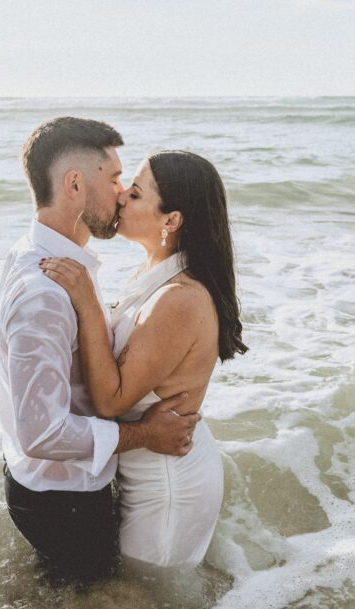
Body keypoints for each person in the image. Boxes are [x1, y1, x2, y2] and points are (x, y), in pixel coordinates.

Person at [0, 118, 201, 585]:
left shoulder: (43, 256)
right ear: (74, 184)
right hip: (63, 498)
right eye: (112, 179)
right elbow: (42, 433)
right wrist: (145, 435)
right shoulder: (44, 292)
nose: (122, 193)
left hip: (45, 487)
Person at [40, 150, 248, 568]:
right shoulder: (156, 276)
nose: (119, 198)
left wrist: (85, 301)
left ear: (171, 221)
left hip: (167, 486)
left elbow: (112, 401)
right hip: (150, 467)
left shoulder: (179, 299)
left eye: (134, 194)